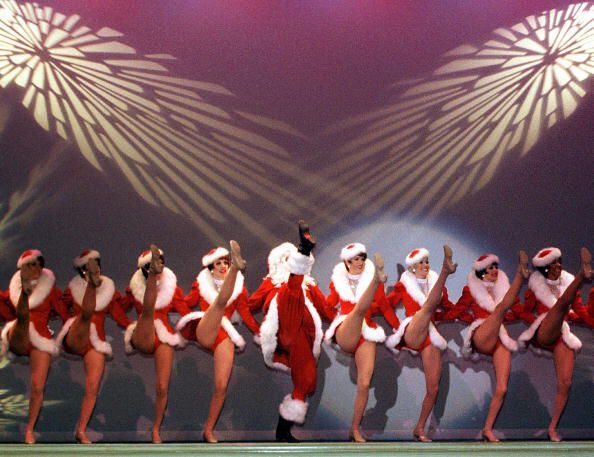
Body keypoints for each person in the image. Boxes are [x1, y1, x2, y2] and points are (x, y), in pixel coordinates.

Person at [255, 221, 328, 442]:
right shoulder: (272, 283)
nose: (289, 262)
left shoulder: (310, 285)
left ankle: (283, 429)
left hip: (301, 337)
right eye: (289, 258)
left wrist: (344, 323)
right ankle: (304, 249)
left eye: (294, 257)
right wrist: (256, 331)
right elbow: (248, 305)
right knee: (290, 291)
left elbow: (326, 309)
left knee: (307, 381)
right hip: (283, 325)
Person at [176, 242, 256, 443]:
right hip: (206, 328)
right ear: (211, 268)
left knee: (221, 385)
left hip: (224, 336)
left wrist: (260, 332)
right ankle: (239, 267)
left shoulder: (240, 290)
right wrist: (183, 322)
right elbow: (185, 304)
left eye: (226, 263)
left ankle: (208, 430)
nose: (222, 265)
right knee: (219, 303)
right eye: (219, 263)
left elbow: (245, 314)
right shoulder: (201, 285)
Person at [55, 250, 131, 444]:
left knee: (92, 386)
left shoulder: (108, 289)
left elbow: (119, 315)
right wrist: (67, 323)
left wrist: (131, 327)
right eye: (90, 266)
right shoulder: (72, 288)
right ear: (82, 270)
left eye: (96, 265)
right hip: (77, 334)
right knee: (85, 316)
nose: (95, 268)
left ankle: (81, 430)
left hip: (95, 340)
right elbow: (61, 308)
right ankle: (88, 297)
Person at [517, 247, 591, 442]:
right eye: (553, 264)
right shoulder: (536, 287)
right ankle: (582, 275)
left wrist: (589, 321)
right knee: (559, 307)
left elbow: (581, 311)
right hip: (544, 332)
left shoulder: (566, 284)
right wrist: (536, 318)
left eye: (559, 262)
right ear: (545, 269)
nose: (558, 266)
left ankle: (552, 428)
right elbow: (525, 311)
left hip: (561, 334)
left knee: (565, 383)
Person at [323, 242, 395, 442]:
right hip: (346, 329)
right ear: (346, 262)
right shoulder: (337, 280)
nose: (360, 262)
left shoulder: (369, 281)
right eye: (355, 259)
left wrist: (398, 329)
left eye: (362, 258)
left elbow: (385, 307)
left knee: (364, 383)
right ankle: (376, 281)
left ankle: (355, 428)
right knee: (357, 311)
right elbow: (328, 305)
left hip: (367, 331)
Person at [120, 245, 191, 444]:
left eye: (160, 261)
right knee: (148, 312)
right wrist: (127, 326)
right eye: (153, 263)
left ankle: (156, 429)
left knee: (162, 386)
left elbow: (184, 312)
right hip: (143, 332)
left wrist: (194, 327)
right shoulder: (133, 288)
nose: (159, 264)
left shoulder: (172, 288)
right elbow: (119, 308)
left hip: (163, 336)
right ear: (145, 268)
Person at [385, 247, 457, 442]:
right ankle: (446, 271)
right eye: (421, 263)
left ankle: (419, 428)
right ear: (413, 268)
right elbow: (385, 305)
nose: (425, 266)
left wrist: (455, 315)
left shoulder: (435, 286)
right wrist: (395, 326)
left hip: (429, 335)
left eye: (427, 262)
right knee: (424, 311)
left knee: (433, 387)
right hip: (412, 330)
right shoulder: (403, 285)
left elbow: (449, 308)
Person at [456, 251, 529, 442]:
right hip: (481, 334)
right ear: (481, 272)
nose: (495, 270)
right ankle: (520, 275)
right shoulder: (470, 290)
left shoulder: (501, 289)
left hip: (499, 336)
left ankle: (487, 429)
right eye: (490, 268)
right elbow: (458, 310)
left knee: (502, 388)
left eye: (496, 267)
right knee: (499, 311)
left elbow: (517, 312)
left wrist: (537, 322)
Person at [0, 250, 68, 444]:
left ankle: (30, 430)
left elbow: (63, 312)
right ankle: (25, 298)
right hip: (19, 334)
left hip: (40, 337)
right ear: (23, 267)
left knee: (37, 387)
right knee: (22, 319)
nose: (37, 268)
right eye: (31, 264)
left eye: (39, 264)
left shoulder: (51, 290)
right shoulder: (11, 290)